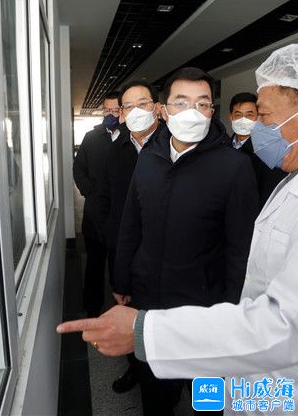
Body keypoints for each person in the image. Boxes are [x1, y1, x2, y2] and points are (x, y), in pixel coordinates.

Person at [58, 41, 298, 416]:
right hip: (267, 383)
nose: (259, 130)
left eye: (266, 117)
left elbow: (286, 327)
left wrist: (144, 331)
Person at [110, 67, 258, 414]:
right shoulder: (150, 157)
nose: (192, 112)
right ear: (163, 110)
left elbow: (241, 248)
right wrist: (121, 280)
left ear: (211, 111)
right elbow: (131, 223)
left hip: (204, 307)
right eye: (181, 102)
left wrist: (233, 310)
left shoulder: (233, 166)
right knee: (155, 394)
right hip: (151, 301)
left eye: (202, 104)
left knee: (208, 398)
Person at [96, 80, 163, 394]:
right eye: (129, 106)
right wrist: (113, 242)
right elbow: (105, 200)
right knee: (130, 315)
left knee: (165, 315)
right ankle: (136, 369)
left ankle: (174, 379)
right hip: (125, 250)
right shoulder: (115, 151)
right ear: (121, 113)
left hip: (164, 252)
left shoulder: (173, 145)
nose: (137, 111)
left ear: (157, 108)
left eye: (143, 103)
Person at [73, 92, 122, 318]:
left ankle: (124, 309)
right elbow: (78, 169)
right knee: (94, 262)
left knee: (120, 264)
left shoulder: (131, 138)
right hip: (95, 214)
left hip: (121, 216)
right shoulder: (91, 138)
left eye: (115, 110)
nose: (110, 115)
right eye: (107, 110)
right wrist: (90, 193)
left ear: (123, 111)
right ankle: (92, 308)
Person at [229, 92, 287, 207]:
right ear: (231, 117)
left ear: (258, 117)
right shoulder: (223, 148)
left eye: (249, 115)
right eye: (238, 115)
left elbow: (270, 195)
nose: (243, 120)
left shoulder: (269, 152)